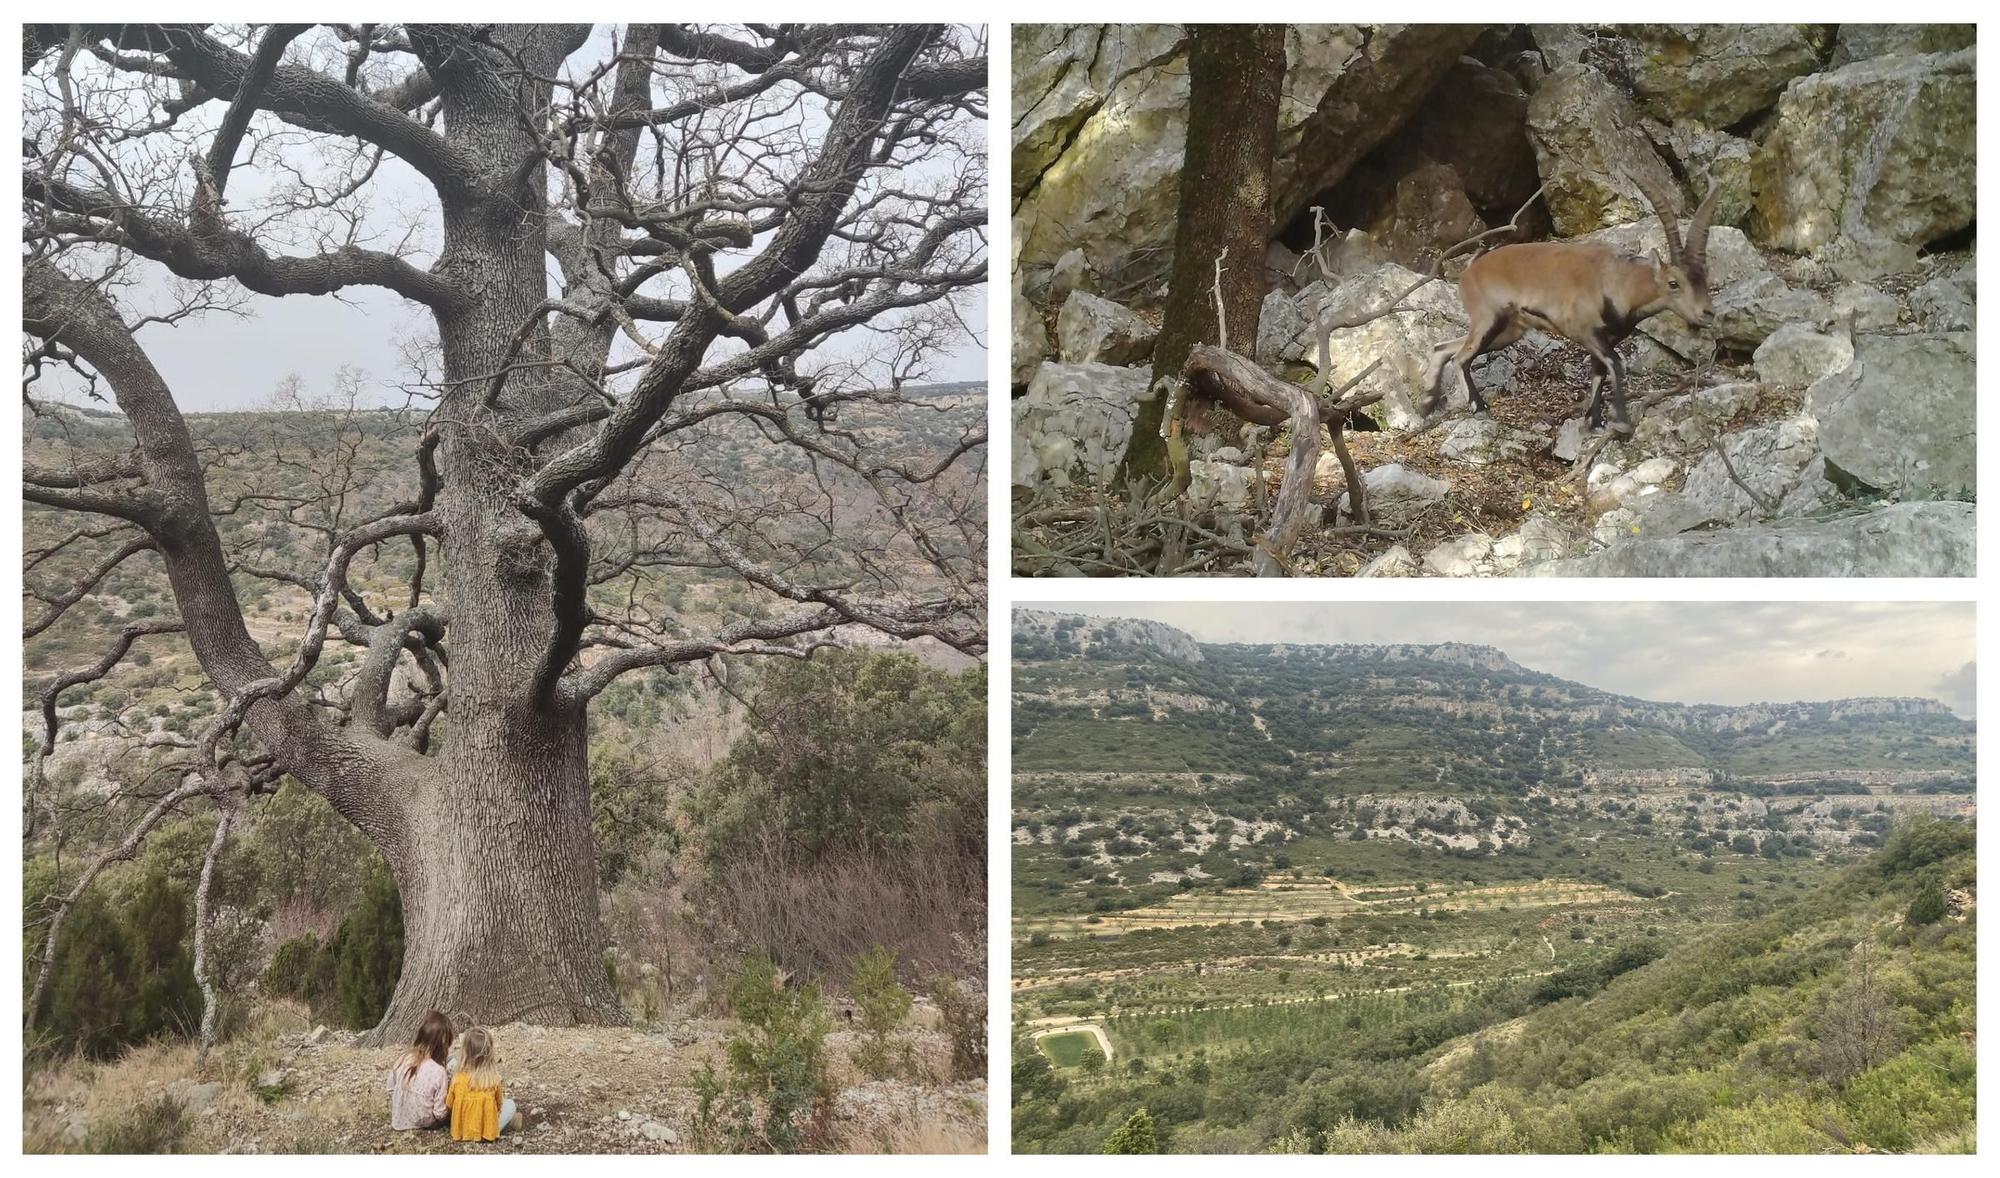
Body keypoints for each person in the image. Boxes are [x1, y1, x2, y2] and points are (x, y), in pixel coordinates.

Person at [447, 1026, 523, 1141]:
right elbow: (499, 1105)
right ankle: (510, 1123)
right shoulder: (493, 1079)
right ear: (489, 1054)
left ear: (464, 1053)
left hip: (461, 1131)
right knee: (510, 1104)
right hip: (486, 1133)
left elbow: (449, 1104)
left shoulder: (457, 1078)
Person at [385, 1010, 454, 1131]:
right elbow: (439, 1113)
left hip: (398, 1119)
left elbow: (390, 1089)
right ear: (443, 1044)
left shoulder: (403, 1057)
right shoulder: (439, 1071)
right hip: (424, 1122)